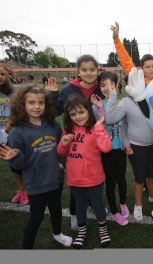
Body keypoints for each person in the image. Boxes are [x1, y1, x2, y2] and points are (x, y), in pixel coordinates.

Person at [0, 84, 72, 249]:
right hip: (36, 182)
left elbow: (63, 147)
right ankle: (27, 248)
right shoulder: (18, 132)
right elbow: (20, 165)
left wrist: (62, 162)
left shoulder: (53, 125)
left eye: (41, 102)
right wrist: (15, 157)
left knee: (56, 209)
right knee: (36, 216)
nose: (37, 106)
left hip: (55, 178)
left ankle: (58, 234)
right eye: (31, 102)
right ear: (22, 105)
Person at [49, 54, 105, 231]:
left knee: (96, 177)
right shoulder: (68, 90)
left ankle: (93, 206)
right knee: (77, 181)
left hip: (97, 139)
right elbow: (55, 111)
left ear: (97, 70)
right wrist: (52, 95)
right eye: (84, 69)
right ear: (78, 71)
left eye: (92, 69)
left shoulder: (100, 87)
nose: (88, 73)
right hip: (75, 142)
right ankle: (75, 215)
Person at [57, 95, 112, 249]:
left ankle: (103, 229)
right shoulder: (68, 129)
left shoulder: (95, 129)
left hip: (94, 177)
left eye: (81, 112)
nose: (78, 117)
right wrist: (63, 143)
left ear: (88, 111)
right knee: (80, 206)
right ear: (68, 115)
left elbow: (106, 148)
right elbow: (61, 152)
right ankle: (82, 232)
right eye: (73, 114)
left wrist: (99, 128)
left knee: (97, 204)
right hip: (75, 178)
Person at [105, 70, 153, 222]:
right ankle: (138, 206)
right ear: (128, 86)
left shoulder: (152, 99)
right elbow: (110, 118)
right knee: (140, 177)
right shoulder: (126, 102)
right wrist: (113, 95)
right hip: (137, 146)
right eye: (132, 82)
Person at [91, 71, 130, 226]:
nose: (107, 88)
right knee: (111, 182)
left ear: (117, 85)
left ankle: (122, 203)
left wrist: (126, 144)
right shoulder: (96, 107)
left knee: (122, 179)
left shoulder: (122, 104)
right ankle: (114, 212)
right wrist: (101, 109)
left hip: (119, 151)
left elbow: (125, 128)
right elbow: (102, 125)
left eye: (110, 84)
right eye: (103, 85)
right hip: (105, 152)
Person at [0, 65, 28, 206]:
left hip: (12, 132)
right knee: (10, 163)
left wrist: (13, 120)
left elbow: (23, 109)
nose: (0, 77)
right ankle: (22, 188)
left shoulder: (12, 92)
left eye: (2, 74)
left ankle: (24, 190)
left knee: (16, 162)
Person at [111, 22, 153, 86]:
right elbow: (125, 60)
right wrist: (116, 40)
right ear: (142, 69)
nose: (151, 69)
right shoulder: (139, 80)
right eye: (147, 67)